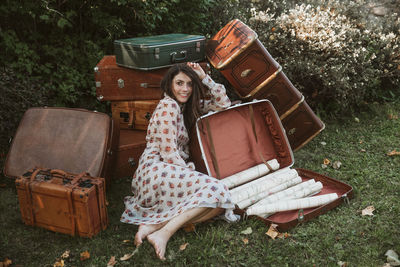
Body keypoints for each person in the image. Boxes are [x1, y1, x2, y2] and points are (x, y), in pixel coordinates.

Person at [120, 62, 237, 260]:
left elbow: (223, 103)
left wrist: (203, 77)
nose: (185, 89)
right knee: (217, 190)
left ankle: (155, 225)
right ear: (169, 85)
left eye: (190, 84)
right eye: (179, 83)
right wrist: (191, 174)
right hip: (156, 169)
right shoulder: (168, 106)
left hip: (169, 171)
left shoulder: (187, 107)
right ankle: (163, 233)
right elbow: (169, 153)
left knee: (218, 203)